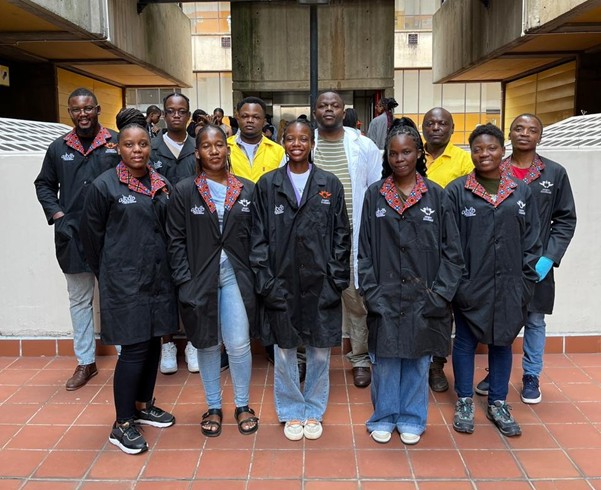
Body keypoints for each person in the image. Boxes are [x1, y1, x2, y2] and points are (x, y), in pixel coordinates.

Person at [79, 109, 177, 455]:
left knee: (153, 341)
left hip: (158, 277)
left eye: (143, 144)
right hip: (124, 281)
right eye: (129, 144)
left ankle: (142, 405)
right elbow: (91, 238)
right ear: (118, 148)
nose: (137, 150)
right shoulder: (105, 186)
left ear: (150, 147)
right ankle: (122, 424)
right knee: (134, 348)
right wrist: (111, 272)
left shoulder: (160, 183)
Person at [359, 123, 463, 445]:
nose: (399, 159)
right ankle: (384, 416)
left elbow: (453, 252)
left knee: (419, 359)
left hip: (425, 296)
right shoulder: (375, 194)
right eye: (393, 153)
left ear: (419, 153)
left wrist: (440, 295)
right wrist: (371, 291)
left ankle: (412, 418)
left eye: (406, 152)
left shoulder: (437, 196)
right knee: (386, 359)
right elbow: (364, 251)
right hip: (385, 294)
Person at [250, 119, 351, 441]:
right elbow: (257, 238)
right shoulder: (268, 185)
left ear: (312, 143)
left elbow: (342, 236)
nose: (297, 144)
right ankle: (292, 409)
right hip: (280, 283)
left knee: (320, 350)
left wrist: (336, 279)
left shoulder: (329, 184)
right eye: (291, 138)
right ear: (283, 142)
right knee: (284, 350)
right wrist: (266, 281)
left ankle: (314, 408)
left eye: (303, 138)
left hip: (321, 283)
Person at [447, 123, 541, 438]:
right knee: (464, 341)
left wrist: (526, 282)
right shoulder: (457, 191)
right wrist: (459, 283)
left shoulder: (521, 191)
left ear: (502, 150)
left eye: (491, 148)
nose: (484, 154)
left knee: (503, 341)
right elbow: (449, 242)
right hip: (470, 284)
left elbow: (533, 241)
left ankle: (498, 402)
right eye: (477, 149)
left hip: (511, 285)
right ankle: (464, 400)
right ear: (471, 153)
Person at [475, 114, 576, 404]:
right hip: (499, 262)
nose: (524, 133)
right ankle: (496, 372)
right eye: (518, 128)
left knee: (534, 318)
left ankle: (531, 375)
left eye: (532, 130)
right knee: (499, 318)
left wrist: (549, 257)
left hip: (537, 263)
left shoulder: (554, 173)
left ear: (539, 137)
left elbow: (565, 219)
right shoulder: (495, 168)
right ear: (509, 134)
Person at [166, 124, 258, 438]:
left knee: (238, 343)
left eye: (219, 144)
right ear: (197, 153)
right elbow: (175, 240)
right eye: (207, 146)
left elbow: (257, 237)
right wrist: (184, 282)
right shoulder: (184, 190)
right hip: (199, 278)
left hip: (235, 276)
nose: (214, 151)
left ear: (227, 149)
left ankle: (243, 405)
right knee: (206, 343)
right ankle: (214, 407)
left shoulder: (247, 189)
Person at [34, 87, 120, 391]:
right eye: (76, 110)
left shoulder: (115, 142)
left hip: (112, 234)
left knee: (117, 296)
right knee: (80, 300)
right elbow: (44, 185)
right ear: (70, 112)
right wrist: (59, 216)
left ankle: (128, 358)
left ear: (97, 110)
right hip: (72, 236)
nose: (83, 114)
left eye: (88, 108)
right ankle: (86, 362)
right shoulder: (58, 148)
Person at [313, 91, 381, 388]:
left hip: (352, 236)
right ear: (315, 112)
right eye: (323, 105)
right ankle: (306, 357)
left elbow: (376, 189)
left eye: (335, 105)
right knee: (310, 299)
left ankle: (360, 358)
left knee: (356, 301)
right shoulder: (306, 142)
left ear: (344, 111)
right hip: (313, 240)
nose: (329, 109)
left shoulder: (363, 145)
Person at [421, 106, 474, 393]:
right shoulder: (414, 155)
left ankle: (436, 365)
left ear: (452, 129)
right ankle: (418, 361)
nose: (436, 128)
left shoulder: (464, 161)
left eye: (442, 123)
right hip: (417, 245)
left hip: (449, 243)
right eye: (430, 123)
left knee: (443, 306)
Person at [151, 92, 199, 374]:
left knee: (192, 287)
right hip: (159, 229)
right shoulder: (152, 148)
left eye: (182, 111)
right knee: (164, 289)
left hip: (194, 229)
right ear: (163, 115)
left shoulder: (197, 146)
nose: (176, 115)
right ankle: (167, 344)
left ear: (189, 115)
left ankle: (193, 343)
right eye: (171, 111)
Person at [228, 96, 286, 182]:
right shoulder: (225, 147)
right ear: (238, 118)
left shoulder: (278, 151)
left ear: (264, 121)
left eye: (256, 117)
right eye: (245, 116)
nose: (250, 120)